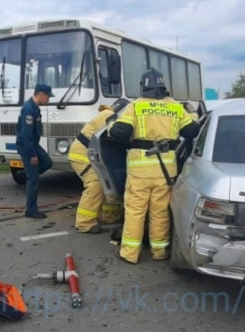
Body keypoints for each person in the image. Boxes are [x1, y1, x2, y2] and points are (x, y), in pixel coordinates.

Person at [107, 69, 199, 263]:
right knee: (160, 212)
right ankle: (159, 252)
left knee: (135, 211)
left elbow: (119, 133)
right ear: (163, 86)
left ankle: (130, 254)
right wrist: (194, 114)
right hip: (166, 170)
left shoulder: (136, 106)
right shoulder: (175, 107)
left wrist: (111, 121)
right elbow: (191, 131)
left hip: (140, 169)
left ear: (143, 86)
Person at [68, 99, 128, 234]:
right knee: (95, 185)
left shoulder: (110, 114)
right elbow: (114, 135)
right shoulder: (108, 115)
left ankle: (110, 216)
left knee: (108, 184)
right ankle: (84, 223)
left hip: (92, 154)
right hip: (83, 155)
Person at [15, 83, 54, 219]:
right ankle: (31, 210)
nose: (48, 100)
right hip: (27, 146)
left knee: (48, 162)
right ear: (41, 95)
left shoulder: (35, 108)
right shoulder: (29, 109)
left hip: (32, 144)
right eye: (48, 97)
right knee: (34, 179)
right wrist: (32, 155)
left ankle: (25, 173)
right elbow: (26, 135)